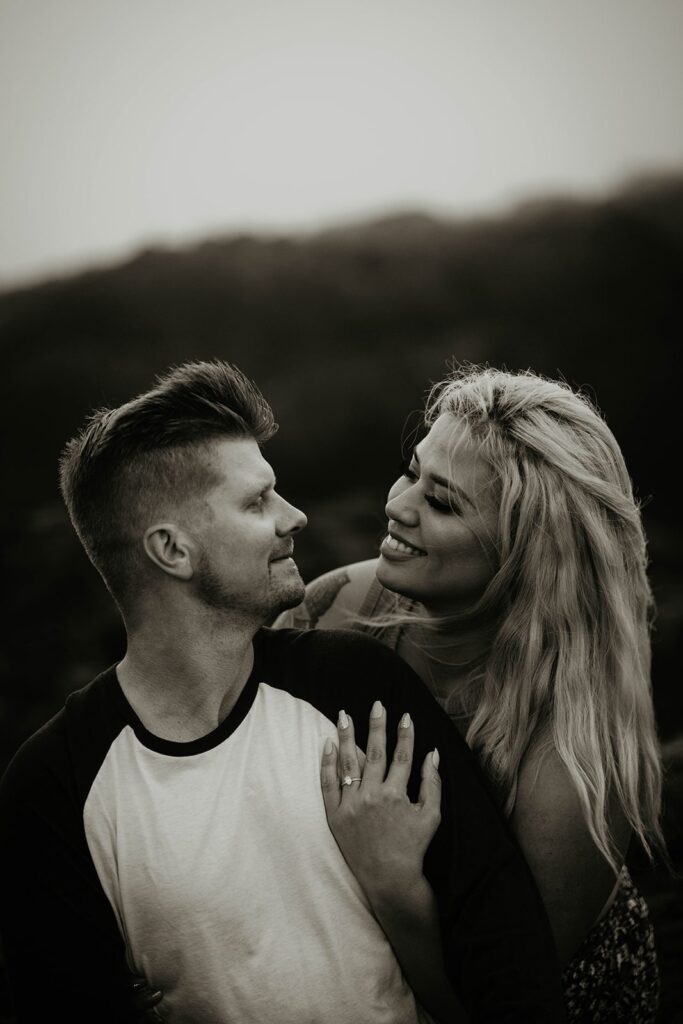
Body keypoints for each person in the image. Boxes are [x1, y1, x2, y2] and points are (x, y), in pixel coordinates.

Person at [0, 360, 567, 1024]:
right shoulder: (52, 789)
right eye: (255, 501)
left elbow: (511, 966)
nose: (293, 516)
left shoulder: (355, 686)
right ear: (170, 550)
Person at [278, 365, 665, 1023]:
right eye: (411, 471)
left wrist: (392, 884)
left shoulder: (577, 748)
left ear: (527, 551)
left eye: (443, 501)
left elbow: (502, 1003)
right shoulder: (340, 605)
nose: (396, 504)